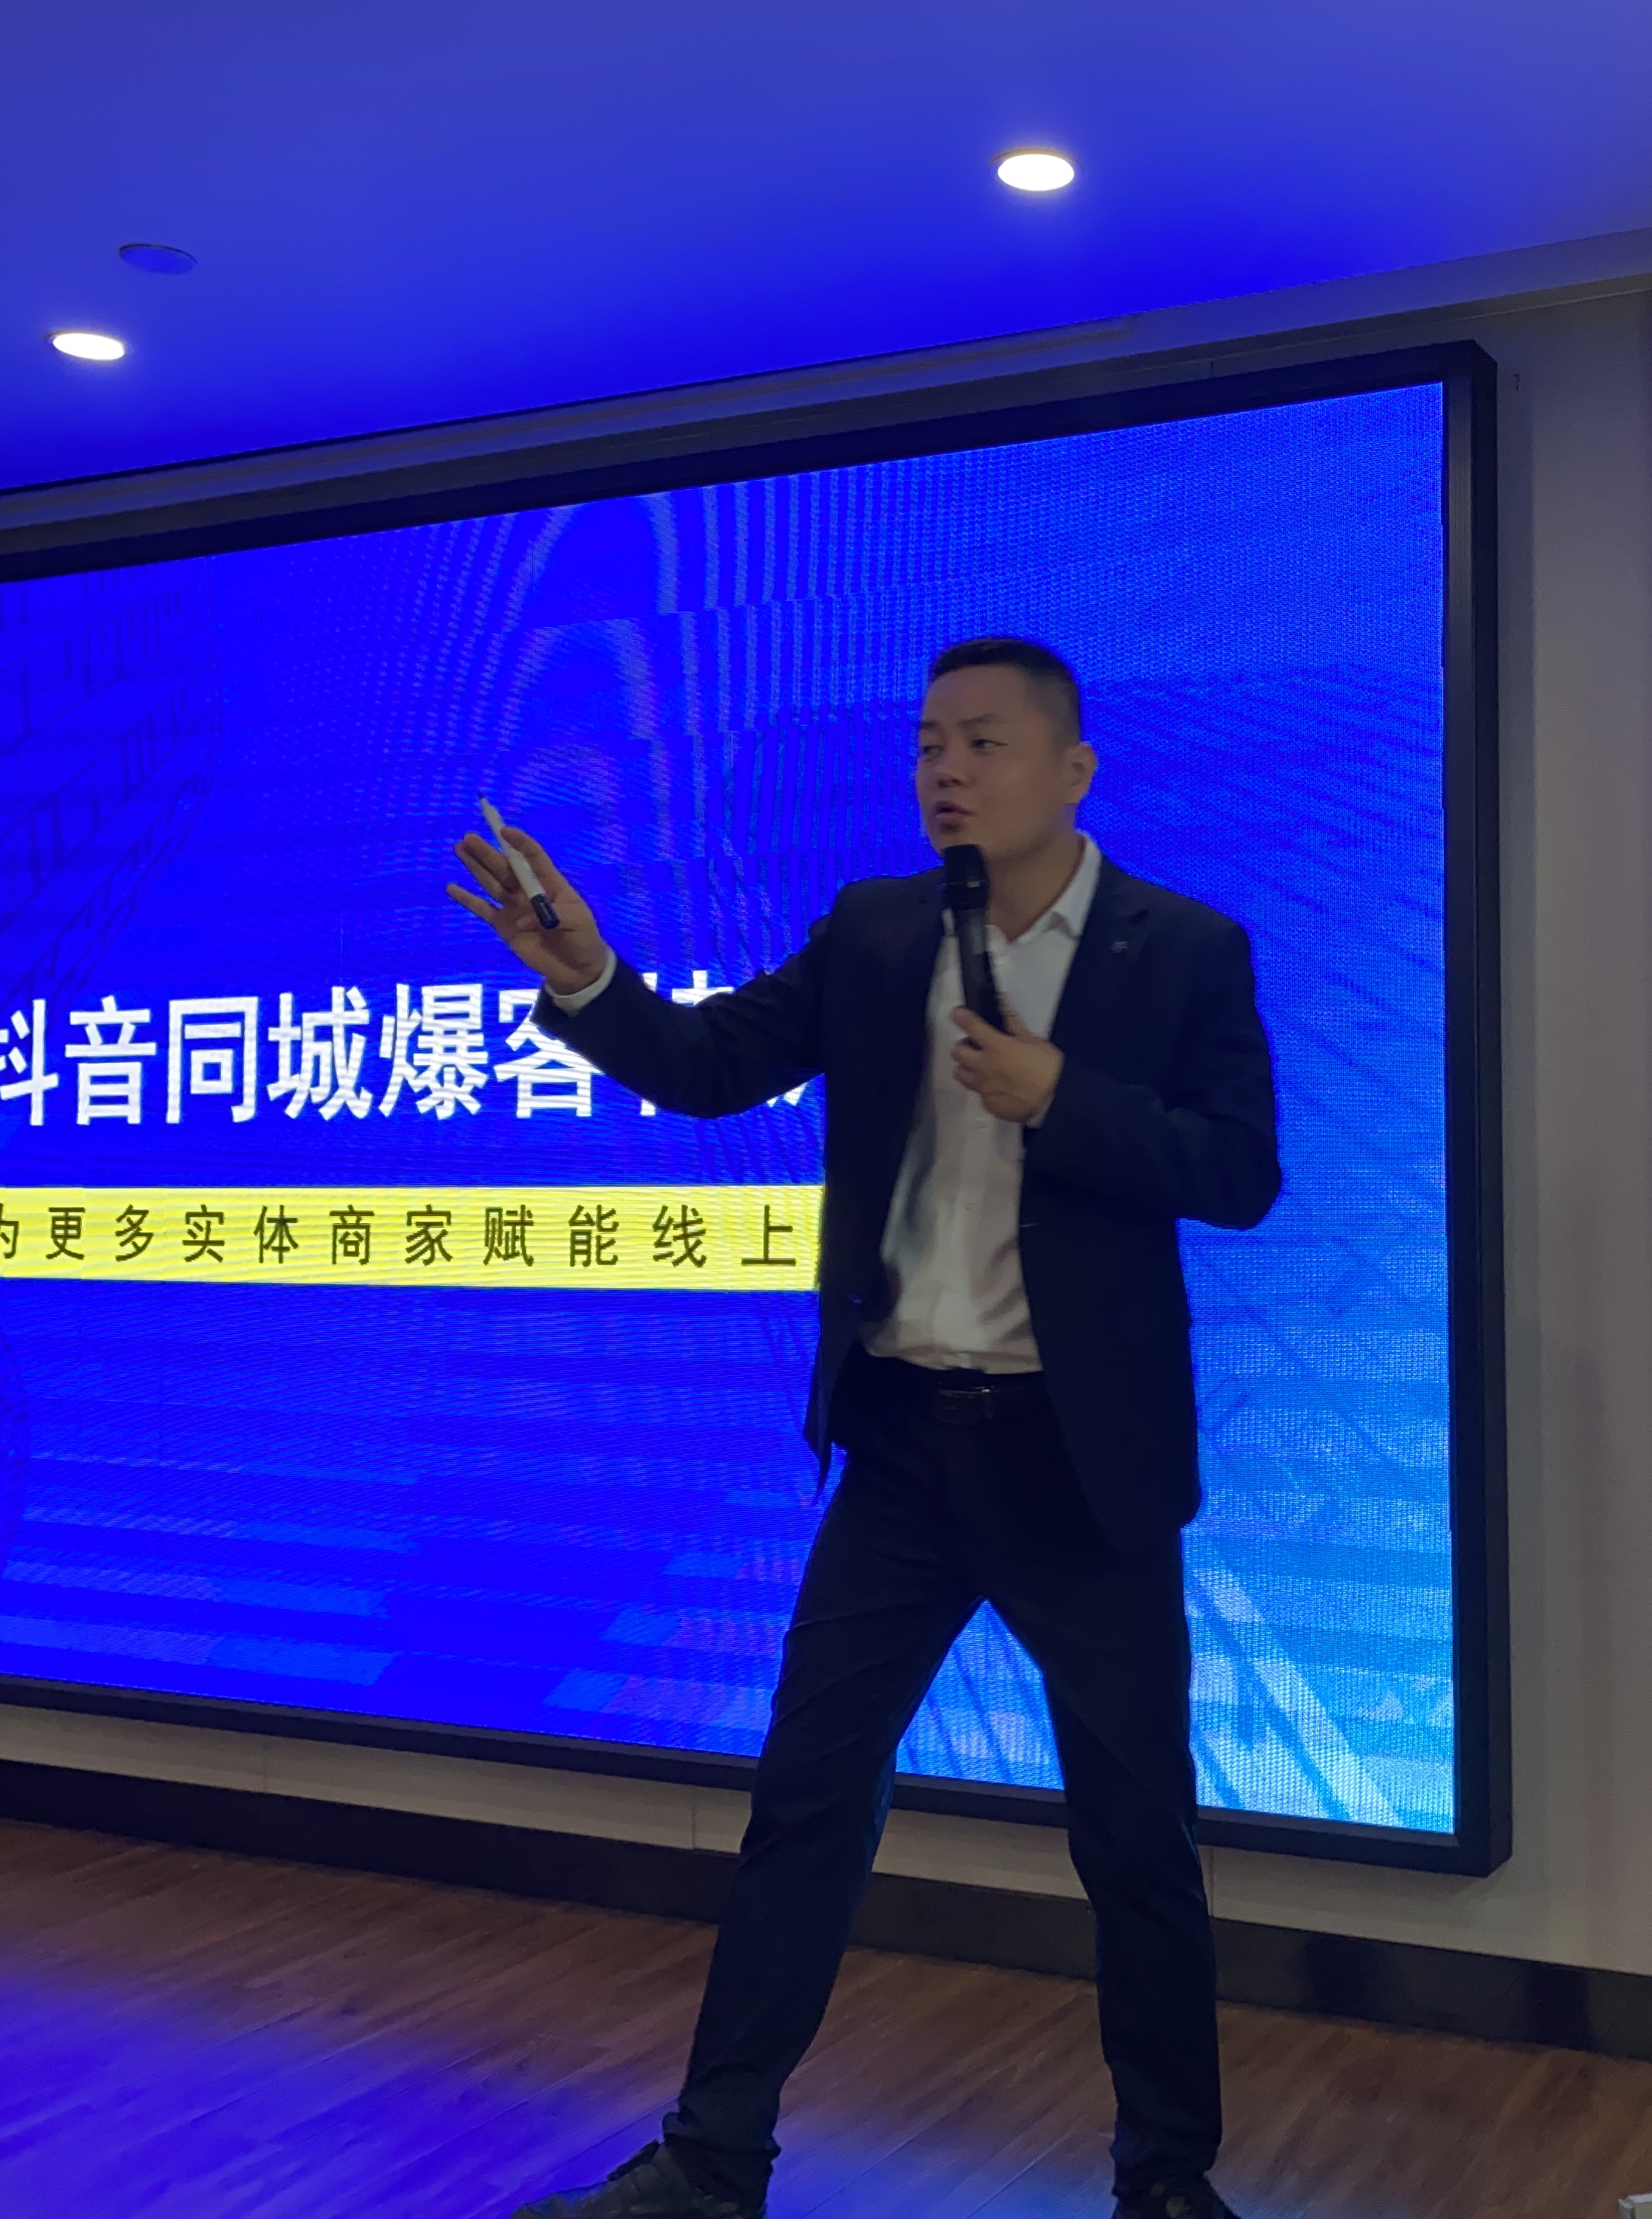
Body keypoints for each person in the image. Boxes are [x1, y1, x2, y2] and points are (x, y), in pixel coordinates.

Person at [453, 636, 1281, 2219]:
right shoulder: (880, 930)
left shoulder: (1182, 948)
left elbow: (1239, 1172)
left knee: (1137, 1840)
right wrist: (589, 976)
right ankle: (715, 2162)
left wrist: (1064, 1097)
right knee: (808, 1803)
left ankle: (1167, 2180)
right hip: (905, 1448)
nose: (945, 772)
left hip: (1081, 1468)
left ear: (1072, 769)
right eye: (926, 746)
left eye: (980, 742)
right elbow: (712, 1068)